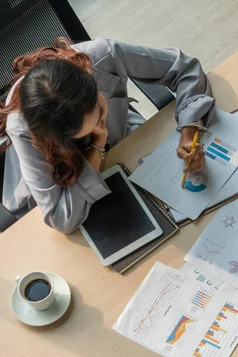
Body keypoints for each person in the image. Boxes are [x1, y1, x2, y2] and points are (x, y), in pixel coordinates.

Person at [0, 38, 215, 233]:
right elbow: (61, 218)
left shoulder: (102, 55)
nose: (99, 124)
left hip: (125, 143)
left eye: (101, 112)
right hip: (67, 184)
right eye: (90, 128)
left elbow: (185, 69)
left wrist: (189, 129)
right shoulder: (23, 127)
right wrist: (98, 142)